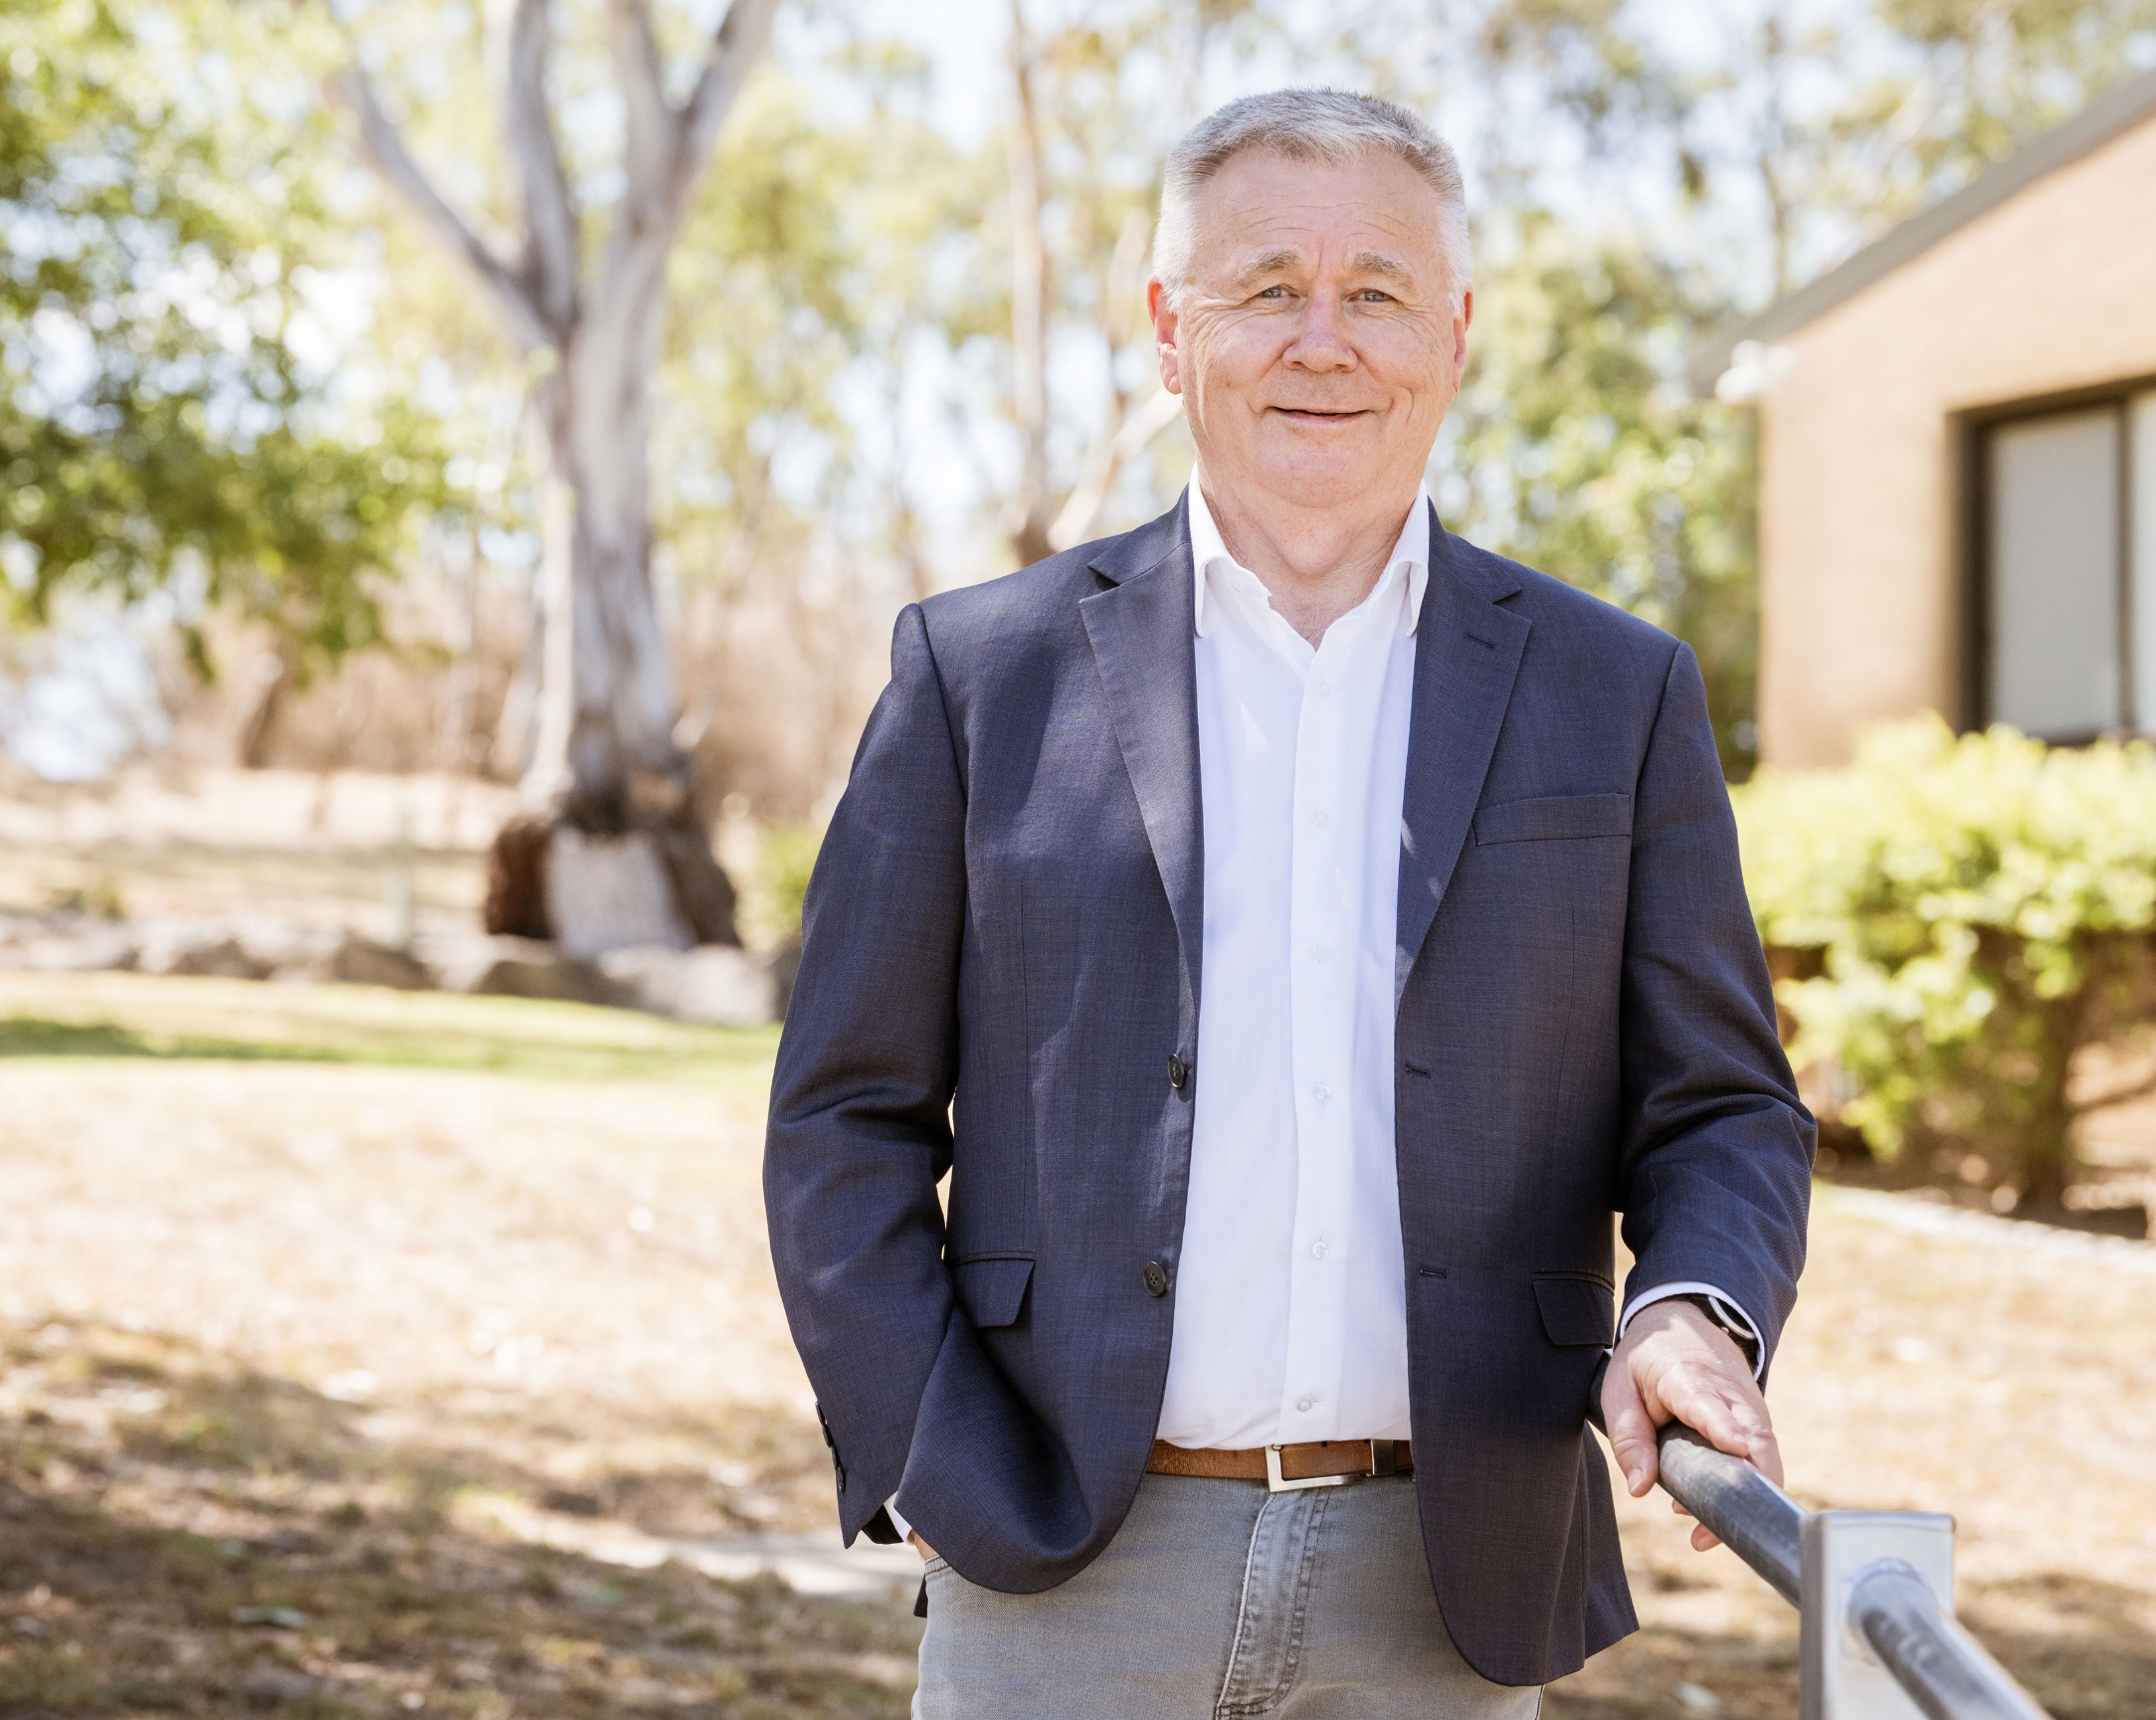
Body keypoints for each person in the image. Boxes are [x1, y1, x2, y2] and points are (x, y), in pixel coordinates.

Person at [763, 88, 1813, 1718]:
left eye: (1378, 291)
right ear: (1169, 329)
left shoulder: (1617, 691)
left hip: (1449, 1588)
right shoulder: (978, 676)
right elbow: (844, 1118)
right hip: (1063, 1567)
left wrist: (1690, 1309)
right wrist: (926, 1450)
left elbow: (1725, 1105)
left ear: (1453, 334)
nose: (1325, 340)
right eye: (1267, 288)